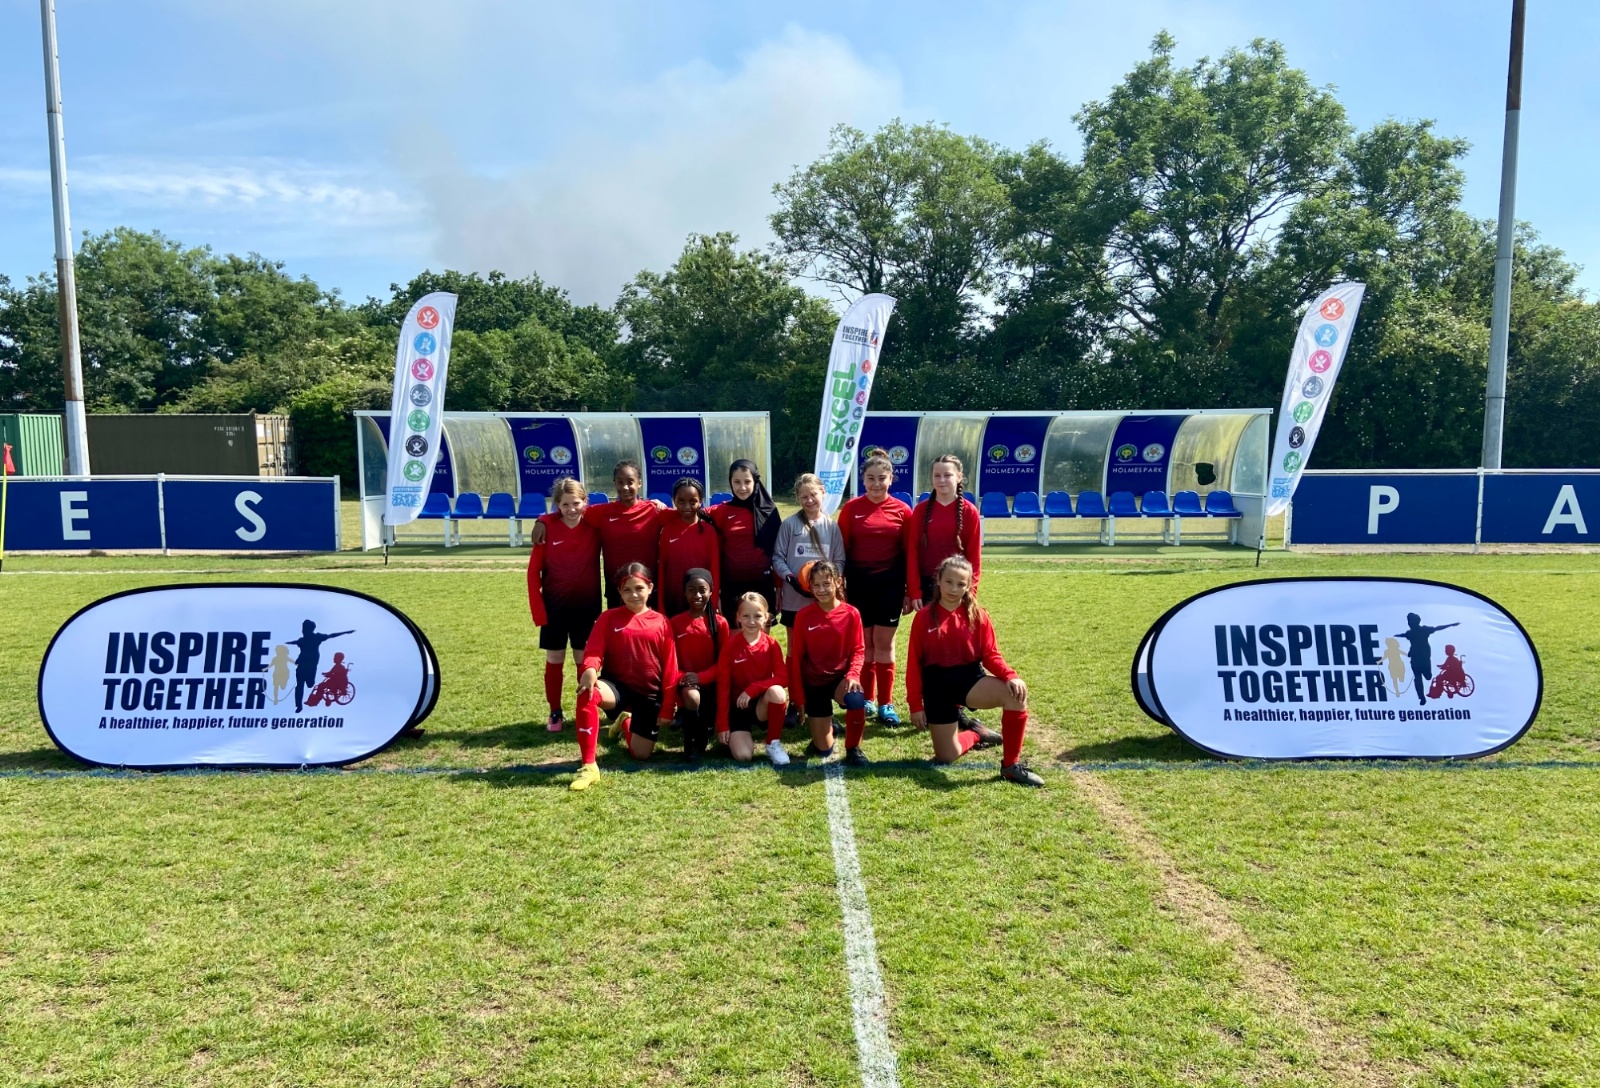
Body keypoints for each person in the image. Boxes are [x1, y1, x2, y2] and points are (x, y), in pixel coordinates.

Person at [906, 556, 1043, 787]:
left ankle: (1011, 766)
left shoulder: (978, 615)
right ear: (938, 580)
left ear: (969, 585)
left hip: (969, 682)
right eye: (949, 582)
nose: (954, 589)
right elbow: (913, 665)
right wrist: (915, 706)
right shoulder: (923, 618)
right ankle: (978, 733)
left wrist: (1010, 675)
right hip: (936, 688)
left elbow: (991, 654)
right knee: (946, 756)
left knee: (1015, 695)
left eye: (961, 584)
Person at [571, 563, 679, 790]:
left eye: (639, 588)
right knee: (587, 692)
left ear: (650, 588)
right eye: (627, 590)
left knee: (641, 755)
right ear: (619, 592)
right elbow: (594, 651)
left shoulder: (661, 622)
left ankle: (625, 721)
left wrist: (668, 707)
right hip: (616, 688)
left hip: (649, 695)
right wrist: (589, 669)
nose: (634, 594)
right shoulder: (608, 618)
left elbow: (671, 668)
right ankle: (589, 766)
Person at [528, 461, 665, 607]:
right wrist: (543, 520)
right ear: (614, 483)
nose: (625, 487)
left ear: (639, 483)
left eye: (630, 482)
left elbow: (679, 515)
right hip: (616, 589)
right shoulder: (601, 513)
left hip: (647, 589)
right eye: (620, 482)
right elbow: (572, 510)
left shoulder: (654, 511)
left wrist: (660, 505)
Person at [839, 451, 912, 725]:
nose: (876, 484)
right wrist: (840, 587)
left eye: (882, 478)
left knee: (884, 644)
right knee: (864, 645)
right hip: (859, 586)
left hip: (890, 587)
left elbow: (910, 554)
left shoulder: (903, 511)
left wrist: (910, 591)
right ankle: (868, 698)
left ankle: (886, 703)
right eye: (871, 478)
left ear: (891, 479)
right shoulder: (851, 509)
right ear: (863, 479)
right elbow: (841, 551)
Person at [525, 477, 603, 731]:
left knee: (584, 660)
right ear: (557, 505)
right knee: (555, 657)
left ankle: (584, 708)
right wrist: (539, 612)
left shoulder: (594, 525)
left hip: (586, 607)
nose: (571, 509)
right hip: (554, 608)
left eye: (576, 503)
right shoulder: (548, 529)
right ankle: (555, 712)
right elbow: (533, 573)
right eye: (565, 504)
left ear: (585, 502)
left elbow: (617, 512)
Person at [786, 560, 869, 765]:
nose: (821, 590)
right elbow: (796, 659)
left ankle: (853, 748)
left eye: (826, 583)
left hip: (840, 679)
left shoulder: (851, 614)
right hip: (814, 684)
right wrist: (798, 698)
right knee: (823, 751)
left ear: (838, 582)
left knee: (856, 699)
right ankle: (826, 731)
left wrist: (853, 674)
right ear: (810, 587)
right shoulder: (803, 616)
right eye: (816, 585)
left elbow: (859, 650)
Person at [715, 591, 791, 766]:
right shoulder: (730, 646)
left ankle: (773, 743)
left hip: (760, 706)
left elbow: (783, 678)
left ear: (766, 618)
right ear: (738, 617)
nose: (751, 621)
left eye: (757, 616)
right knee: (743, 756)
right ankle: (738, 735)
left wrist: (753, 689)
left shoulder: (772, 644)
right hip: (738, 708)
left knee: (777, 692)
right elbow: (723, 688)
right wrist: (723, 725)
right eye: (746, 616)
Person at [905, 454, 982, 609]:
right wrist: (914, 590)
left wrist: (971, 591)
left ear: (959, 477)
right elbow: (912, 552)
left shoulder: (970, 511)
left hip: (957, 584)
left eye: (947, 475)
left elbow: (974, 557)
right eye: (937, 475)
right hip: (927, 584)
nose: (941, 480)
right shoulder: (920, 510)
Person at [708, 459, 780, 623]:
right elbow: (690, 510)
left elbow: (777, 551)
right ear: (730, 482)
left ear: (755, 481)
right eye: (737, 482)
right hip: (732, 584)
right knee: (734, 634)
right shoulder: (721, 511)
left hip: (763, 582)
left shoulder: (769, 511)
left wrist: (779, 587)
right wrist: (660, 507)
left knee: (761, 634)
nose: (742, 487)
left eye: (747, 482)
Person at [772, 472, 846, 631]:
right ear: (798, 498)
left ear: (823, 492)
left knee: (822, 640)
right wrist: (791, 579)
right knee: (794, 643)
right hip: (794, 599)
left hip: (823, 596)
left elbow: (839, 561)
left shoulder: (832, 527)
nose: (810, 500)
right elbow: (777, 558)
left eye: (813, 494)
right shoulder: (789, 525)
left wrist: (830, 581)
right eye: (804, 497)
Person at [670, 568, 728, 762]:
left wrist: (702, 677)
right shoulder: (675, 623)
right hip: (687, 684)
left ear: (711, 592)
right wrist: (685, 678)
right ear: (684, 593)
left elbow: (724, 662)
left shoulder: (719, 623)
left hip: (711, 684)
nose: (697, 595)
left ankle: (705, 731)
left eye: (702, 590)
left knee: (706, 727)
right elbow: (670, 662)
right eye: (691, 590)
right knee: (693, 697)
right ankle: (690, 743)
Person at [656, 478, 721, 617]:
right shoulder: (668, 530)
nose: (687, 506)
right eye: (681, 501)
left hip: (700, 600)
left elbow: (714, 569)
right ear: (674, 501)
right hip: (674, 599)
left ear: (700, 501)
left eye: (692, 501)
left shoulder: (709, 531)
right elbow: (662, 569)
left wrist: (713, 604)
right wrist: (661, 607)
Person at [1393, 612, 1460, 707]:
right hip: (1415, 658)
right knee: (1417, 678)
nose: (1410, 623)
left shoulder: (1424, 630)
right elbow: (1403, 635)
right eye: (1409, 622)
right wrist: (1396, 636)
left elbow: (1437, 628)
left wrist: (1451, 625)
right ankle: (1421, 697)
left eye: (1411, 621)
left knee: (1428, 676)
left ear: (1416, 621)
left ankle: (1427, 688)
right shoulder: (1410, 633)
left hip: (1424, 658)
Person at [288, 620, 352, 714]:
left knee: (310, 684)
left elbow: (331, 635)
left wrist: (345, 632)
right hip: (302, 665)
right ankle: (299, 705)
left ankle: (313, 697)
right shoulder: (302, 640)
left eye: (304, 628)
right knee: (300, 685)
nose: (303, 630)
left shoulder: (317, 637)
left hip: (311, 666)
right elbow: (295, 642)